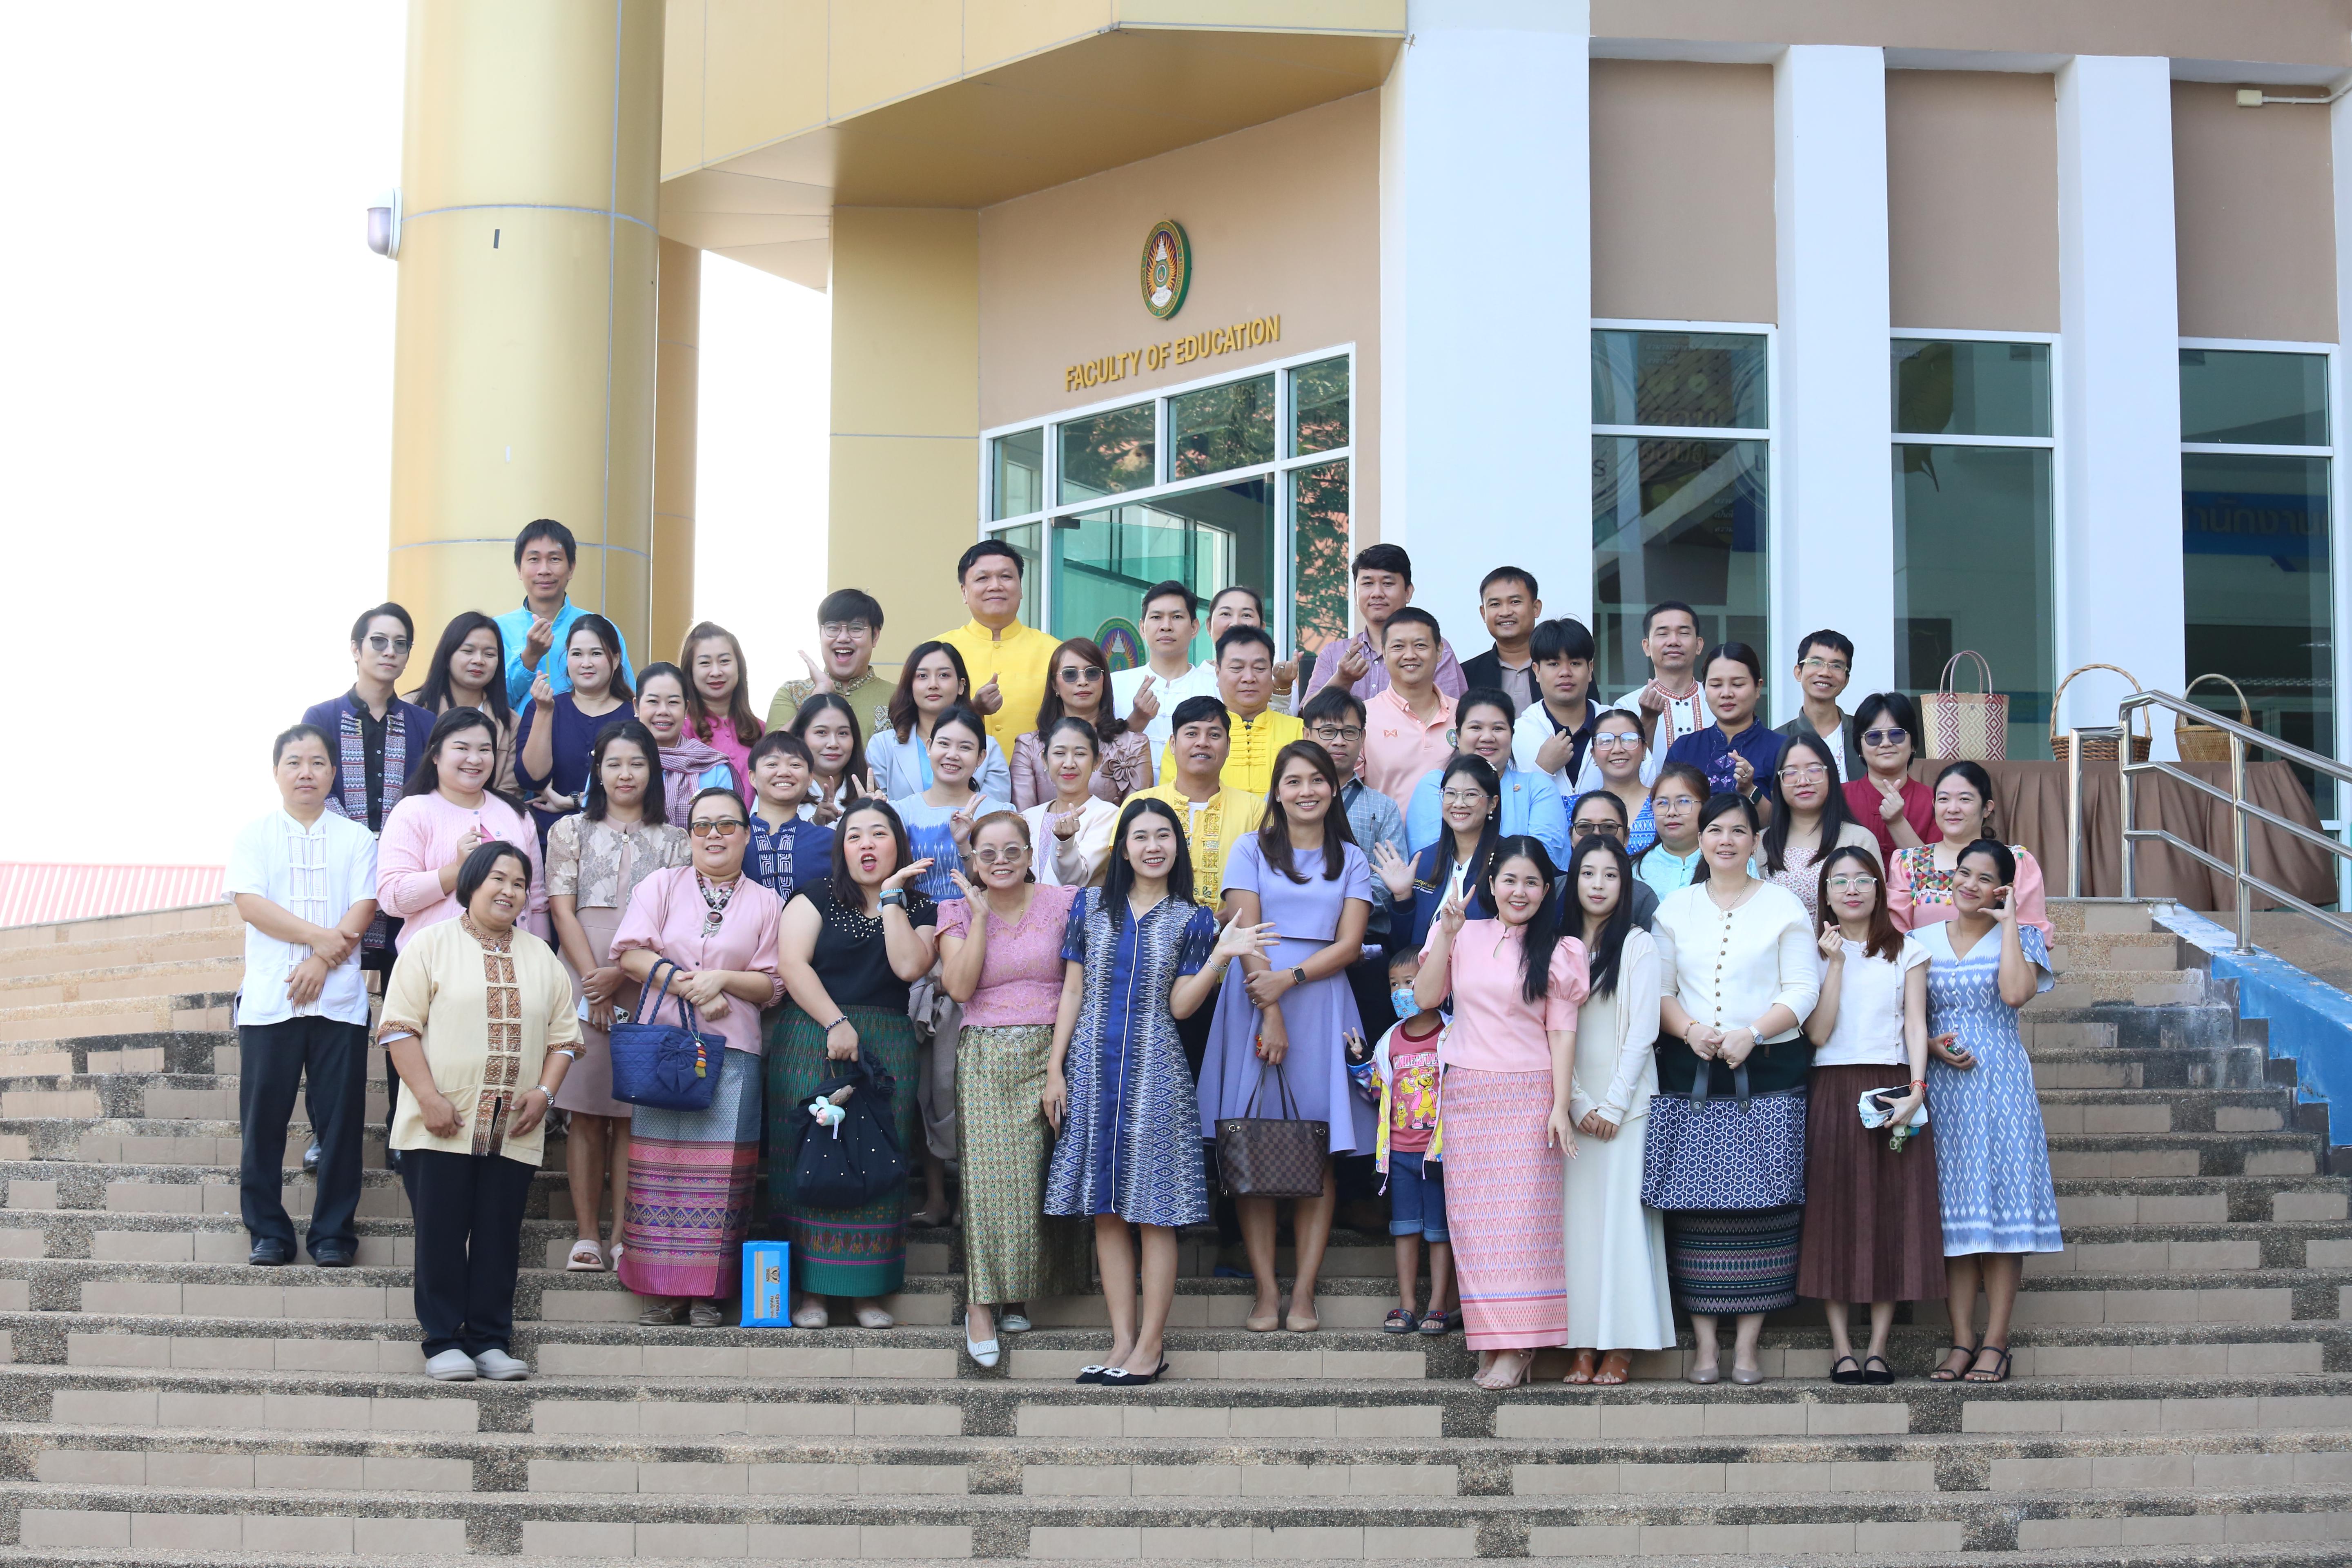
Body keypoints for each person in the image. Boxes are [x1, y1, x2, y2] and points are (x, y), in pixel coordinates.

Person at [1044, 798, 1270, 1385]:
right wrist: (1054, 1068)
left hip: (1156, 1074)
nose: (1153, 846)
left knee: (1154, 1213)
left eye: (1164, 836)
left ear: (1178, 846)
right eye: (1141, 836)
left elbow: (1180, 1007)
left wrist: (1220, 957)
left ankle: (1151, 1346)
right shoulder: (1089, 906)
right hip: (1092, 1068)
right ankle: (1121, 1343)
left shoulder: (1193, 919)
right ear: (1122, 848)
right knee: (1106, 1212)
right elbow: (1072, 993)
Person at [379, 841, 579, 1381]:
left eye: (519, 883)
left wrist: (545, 1093)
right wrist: (428, 1099)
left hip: (514, 1123)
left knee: (498, 1233)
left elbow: (565, 1039)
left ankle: (490, 1340)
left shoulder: (541, 955)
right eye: (497, 878)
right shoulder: (429, 945)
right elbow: (399, 1027)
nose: (509, 891)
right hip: (440, 1120)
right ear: (471, 882)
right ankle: (443, 1340)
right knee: (441, 1232)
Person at [1198, 741, 1375, 1334]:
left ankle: (1304, 1292)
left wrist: (1291, 980)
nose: (1306, 791)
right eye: (1294, 781)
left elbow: (1350, 944)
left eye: (1317, 780)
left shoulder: (1350, 857)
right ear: (1277, 790)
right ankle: (1266, 1293)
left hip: (1321, 1000)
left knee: (1315, 1148)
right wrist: (1269, 1005)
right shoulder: (1250, 848)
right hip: (1254, 997)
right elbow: (1244, 925)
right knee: (1253, 1143)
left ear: (1333, 788)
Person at [1651, 795, 1820, 1385]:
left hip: (1769, 1073)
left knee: (1765, 1210)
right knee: (1696, 1210)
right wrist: (1692, 1030)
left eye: (1739, 831)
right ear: (1699, 839)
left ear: (1756, 841)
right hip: (1691, 1075)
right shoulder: (1674, 908)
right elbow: (1661, 990)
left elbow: (1803, 989)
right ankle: (1703, 1346)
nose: (1726, 840)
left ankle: (1747, 1346)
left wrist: (1752, 1032)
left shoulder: (1784, 906)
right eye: (1715, 830)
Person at [1414, 835, 1586, 1390]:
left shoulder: (1560, 950)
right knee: (1474, 1226)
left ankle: (1520, 1346)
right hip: (1467, 1091)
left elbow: (1562, 1032)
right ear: (1491, 884)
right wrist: (1446, 930)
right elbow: (1425, 997)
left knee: (1522, 1226)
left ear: (1546, 890)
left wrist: (1560, 1106)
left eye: (1532, 882)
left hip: (1529, 1093)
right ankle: (1491, 1342)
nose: (1520, 891)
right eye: (1510, 879)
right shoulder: (1464, 934)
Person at [609, 787, 785, 1325]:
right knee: (659, 1168)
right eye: (703, 825)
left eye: (727, 825)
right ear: (689, 835)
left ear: (746, 834)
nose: (715, 835)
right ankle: (661, 1289)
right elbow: (632, 955)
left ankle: (707, 1292)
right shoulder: (661, 885)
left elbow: (771, 985)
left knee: (722, 1173)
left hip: (733, 1052)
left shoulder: (766, 901)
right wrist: (691, 989)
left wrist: (722, 982)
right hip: (665, 1047)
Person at [769, 800, 939, 1327]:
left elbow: (909, 966)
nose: (866, 845)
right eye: (854, 836)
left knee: (875, 1159)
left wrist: (891, 898)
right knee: (810, 1159)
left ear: (899, 845)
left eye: (879, 834)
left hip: (887, 1046)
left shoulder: (920, 907)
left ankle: (867, 1290)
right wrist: (834, 1022)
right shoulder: (815, 896)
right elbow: (790, 965)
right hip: (811, 1040)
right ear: (841, 848)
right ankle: (813, 1294)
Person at [937, 815, 1092, 1366]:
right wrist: (980, 920)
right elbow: (958, 988)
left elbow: (1079, 980)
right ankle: (980, 1304)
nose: (1000, 861)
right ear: (972, 859)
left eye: (1012, 850)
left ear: (1031, 852)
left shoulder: (1064, 901)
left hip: (1057, 1049)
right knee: (986, 1180)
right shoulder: (956, 910)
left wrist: (1059, 1065)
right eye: (988, 853)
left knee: (1038, 1177)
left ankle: (1018, 1292)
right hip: (986, 1052)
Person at [227, 725, 380, 1268]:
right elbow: (251, 905)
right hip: (272, 1002)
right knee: (263, 1122)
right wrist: (317, 937)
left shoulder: (358, 839)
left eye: (318, 762)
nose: (307, 772)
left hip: (338, 1003)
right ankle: (268, 1231)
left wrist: (320, 960)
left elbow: (363, 908)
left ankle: (334, 1233)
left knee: (341, 1124)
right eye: (294, 762)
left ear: (333, 774)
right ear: (277, 772)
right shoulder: (255, 836)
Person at [543, 721, 689, 1273]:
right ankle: (587, 1236)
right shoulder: (569, 831)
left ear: (653, 772)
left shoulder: (676, 838)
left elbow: (675, 920)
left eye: (637, 764)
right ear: (597, 770)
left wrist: (622, 978)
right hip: (580, 977)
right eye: (614, 764)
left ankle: (626, 1234)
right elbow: (561, 908)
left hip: (647, 980)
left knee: (632, 1113)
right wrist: (593, 980)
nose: (625, 774)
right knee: (584, 1110)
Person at [1917, 839, 2061, 1385]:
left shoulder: (2021, 938)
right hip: (1943, 1088)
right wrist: (1930, 1047)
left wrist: (2008, 924)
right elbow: (1904, 1014)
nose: (1969, 885)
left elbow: (2016, 993)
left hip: (2000, 1083)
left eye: (1984, 878)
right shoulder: (1920, 940)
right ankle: (1960, 1342)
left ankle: (1995, 1343)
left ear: (2003, 888)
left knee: (1999, 1219)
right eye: (1963, 874)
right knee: (1956, 1220)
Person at [1800, 844, 1941, 1386]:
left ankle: (1878, 1348)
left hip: (1891, 1088)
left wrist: (1917, 1090)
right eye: (1840, 881)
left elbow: (1915, 1024)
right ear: (1826, 893)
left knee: (1889, 1213)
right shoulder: (1813, 952)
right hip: (1833, 1085)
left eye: (1863, 879)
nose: (1852, 889)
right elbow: (1818, 1032)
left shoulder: (1907, 950)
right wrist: (1834, 963)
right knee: (1834, 1214)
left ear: (1881, 889)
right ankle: (1842, 1349)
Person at [1559, 835, 1673, 1384]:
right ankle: (1581, 1343)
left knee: (1625, 1228)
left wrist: (1611, 1103)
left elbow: (1643, 1033)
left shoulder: (1638, 945)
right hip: (1568, 1108)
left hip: (1628, 1109)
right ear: (1573, 881)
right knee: (1577, 1230)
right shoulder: (1555, 946)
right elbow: (1547, 1031)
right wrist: (1578, 1103)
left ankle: (1623, 1343)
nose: (1599, 885)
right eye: (1588, 874)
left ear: (1625, 885)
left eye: (1610, 875)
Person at [305, 603, 433, 969]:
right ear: (356, 649)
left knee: (407, 974)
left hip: (405, 869)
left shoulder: (425, 723)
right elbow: (315, 789)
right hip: (337, 866)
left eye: (401, 644)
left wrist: (393, 844)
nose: (390, 651)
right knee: (335, 974)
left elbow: (431, 796)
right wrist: (363, 843)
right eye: (379, 642)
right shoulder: (321, 717)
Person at [1346, 949, 1457, 1336]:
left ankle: (1439, 1305)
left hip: (1440, 1155)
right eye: (1395, 984)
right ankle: (1407, 1304)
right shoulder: (1389, 1040)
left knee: (1440, 1231)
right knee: (1405, 1228)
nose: (1402, 992)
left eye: (1410, 983)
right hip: (1400, 1155)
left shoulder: (1452, 1033)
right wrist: (1360, 1064)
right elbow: (1378, 1093)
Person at [376, 709, 546, 946]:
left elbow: (536, 899)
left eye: (485, 750)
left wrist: (539, 955)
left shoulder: (517, 814)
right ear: (436, 755)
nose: (475, 760)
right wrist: (457, 870)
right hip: (435, 960)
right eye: (462, 749)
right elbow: (393, 899)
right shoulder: (413, 811)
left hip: (511, 960)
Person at [1305, 686, 1409, 1039]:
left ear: (1363, 738)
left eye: (1349, 733)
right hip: (1302, 947)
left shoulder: (1383, 807)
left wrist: (1345, 922)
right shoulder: (1285, 801)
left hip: (1365, 951)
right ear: (1307, 735)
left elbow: (1388, 880)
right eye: (1328, 732)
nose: (1339, 741)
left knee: (1365, 1049)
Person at [1129, 697, 1267, 917]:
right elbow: (1120, 876)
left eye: (1214, 735)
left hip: (1231, 940)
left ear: (1229, 746)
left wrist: (1218, 922)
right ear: (1173, 744)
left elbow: (1266, 884)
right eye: (1192, 733)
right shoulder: (1140, 804)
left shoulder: (1255, 810)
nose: (1203, 742)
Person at [1889, 761, 2053, 940]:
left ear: (1987, 808)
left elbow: (2033, 937)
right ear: (1934, 804)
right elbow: (1895, 935)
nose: (1953, 809)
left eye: (1965, 799)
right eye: (1944, 799)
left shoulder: (2015, 861)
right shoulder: (1908, 863)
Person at [1403, 688, 1568, 862]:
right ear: (1458, 737)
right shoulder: (1436, 785)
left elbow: (1542, 860)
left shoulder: (1538, 788)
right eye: (1476, 728)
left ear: (1512, 736)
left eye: (1498, 728)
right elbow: (1427, 858)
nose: (1487, 737)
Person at [493, 517, 635, 710]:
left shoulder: (602, 629)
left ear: (571, 568)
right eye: (534, 559)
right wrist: (529, 657)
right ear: (519, 569)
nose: (544, 570)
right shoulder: (496, 631)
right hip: (519, 740)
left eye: (555, 559)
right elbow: (490, 704)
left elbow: (627, 699)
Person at [516, 613, 635, 837]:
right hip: (549, 837)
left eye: (596, 654)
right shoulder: (543, 706)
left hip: (618, 837)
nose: (586, 663)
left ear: (617, 659)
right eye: (577, 654)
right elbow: (532, 779)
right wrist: (544, 712)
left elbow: (640, 785)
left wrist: (575, 801)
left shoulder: (634, 715)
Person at [1306, 544, 1467, 703]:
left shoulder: (1432, 649)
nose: (1377, 593)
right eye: (1368, 584)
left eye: (1388, 584)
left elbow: (1452, 717)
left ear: (1408, 592)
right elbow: (1307, 716)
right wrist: (1342, 680)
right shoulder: (1334, 654)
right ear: (1356, 595)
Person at [939, 539, 1059, 752]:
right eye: (983, 578)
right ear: (964, 592)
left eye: (1006, 577)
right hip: (954, 780)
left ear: (1021, 588)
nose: (995, 586)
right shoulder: (937, 651)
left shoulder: (1056, 652)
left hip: (1038, 781)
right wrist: (972, 710)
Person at [1376, 753, 1502, 956]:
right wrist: (1402, 898)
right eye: (1450, 793)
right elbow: (1402, 950)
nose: (1458, 804)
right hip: (1423, 981)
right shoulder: (1424, 860)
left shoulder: (1507, 861)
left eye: (1470, 795)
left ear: (1493, 803)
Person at [889, 704, 1013, 906]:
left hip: (980, 925)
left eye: (965, 747)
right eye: (944, 744)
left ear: (981, 757)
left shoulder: (1001, 814)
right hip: (913, 924)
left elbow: (1004, 884)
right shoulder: (901, 813)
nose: (952, 755)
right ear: (929, 747)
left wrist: (965, 845)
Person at [1159, 624, 1304, 796]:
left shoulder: (1300, 732)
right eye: (1237, 668)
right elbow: (1169, 801)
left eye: (1259, 668)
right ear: (1218, 673)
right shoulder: (1192, 737)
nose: (1249, 678)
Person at [1011, 637, 1153, 808]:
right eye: (1070, 674)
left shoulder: (1135, 745)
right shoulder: (1029, 747)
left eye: (1092, 673)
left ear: (1104, 680)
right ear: (1055, 686)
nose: (1083, 682)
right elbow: (1024, 819)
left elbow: (1135, 819)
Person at [1757, 732, 1879, 925]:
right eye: (1790, 773)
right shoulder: (1762, 843)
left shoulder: (1860, 840)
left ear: (1831, 774)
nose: (1803, 781)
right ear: (1779, 783)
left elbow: (1877, 915)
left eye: (1814, 770)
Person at [869, 640, 1013, 803]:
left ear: (961, 686)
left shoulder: (989, 747)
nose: (933, 685)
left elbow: (994, 815)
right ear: (910, 686)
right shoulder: (882, 746)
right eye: (922, 676)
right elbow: (879, 810)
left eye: (944, 675)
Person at [1663, 641, 1783, 819]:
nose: (1726, 693)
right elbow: (1666, 811)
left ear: (1758, 688)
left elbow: (1787, 823)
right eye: (1716, 685)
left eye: (1738, 684)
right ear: (1705, 690)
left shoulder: (1783, 749)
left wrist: (1750, 790)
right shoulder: (1684, 748)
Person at [410, 612, 521, 798]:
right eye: (468, 651)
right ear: (447, 656)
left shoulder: (511, 723)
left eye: (489, 654)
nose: (479, 660)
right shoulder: (413, 708)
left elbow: (510, 792)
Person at [1360, 608, 1460, 812]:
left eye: (1420, 645)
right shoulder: (1363, 717)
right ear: (1385, 653)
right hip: (1385, 842)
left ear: (1440, 651)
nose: (1410, 655)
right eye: (1398, 646)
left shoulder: (1463, 715)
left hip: (1456, 842)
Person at [767, 588, 894, 739]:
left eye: (856, 629)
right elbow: (771, 753)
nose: (843, 638)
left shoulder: (900, 697)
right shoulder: (792, 693)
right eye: (833, 628)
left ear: (875, 637)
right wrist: (817, 697)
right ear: (820, 634)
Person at [1110, 580, 1220, 753]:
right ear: (1142, 629)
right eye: (1156, 617)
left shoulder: (1216, 688)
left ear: (1194, 628)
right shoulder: (1113, 685)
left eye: (1177, 617)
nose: (1166, 627)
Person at [635, 662, 742, 821]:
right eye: (653, 702)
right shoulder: (616, 762)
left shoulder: (713, 768)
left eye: (673, 702)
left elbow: (726, 828)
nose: (663, 711)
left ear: (686, 709)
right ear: (636, 707)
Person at [1021, 716, 1119, 887]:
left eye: (1080, 754)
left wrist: (1065, 841)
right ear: (1045, 760)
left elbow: (1076, 879)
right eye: (1059, 753)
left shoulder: (1108, 815)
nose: (1069, 764)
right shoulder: (1028, 817)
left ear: (1097, 761)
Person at [1511, 617, 1603, 798]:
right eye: (1554, 664)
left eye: (1575, 663)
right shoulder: (1516, 733)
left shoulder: (1616, 725)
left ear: (1590, 669)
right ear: (1537, 671)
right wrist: (1543, 769)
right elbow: (1507, 803)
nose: (1565, 673)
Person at [1615, 601, 1706, 784]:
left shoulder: (1716, 699)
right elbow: (1622, 773)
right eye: (1663, 634)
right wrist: (1647, 720)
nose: (1674, 641)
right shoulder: (1627, 706)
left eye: (1684, 633)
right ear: (1647, 647)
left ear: (1699, 645)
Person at [745, 729, 835, 906]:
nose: (784, 772)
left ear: (810, 778)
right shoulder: (734, 837)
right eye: (772, 764)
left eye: (795, 765)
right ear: (753, 777)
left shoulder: (829, 842)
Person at [1844, 692, 1935, 863]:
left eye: (1896, 735)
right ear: (1860, 749)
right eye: (1873, 737)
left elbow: (1935, 872)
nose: (1886, 743)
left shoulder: (1935, 801)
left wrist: (1897, 823)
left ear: (1913, 744)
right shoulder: (1839, 797)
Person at [679, 621, 764, 787]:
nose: (716, 672)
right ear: (690, 671)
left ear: (739, 667)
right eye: (705, 663)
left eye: (725, 661)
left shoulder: (760, 730)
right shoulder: (680, 731)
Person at [1777, 630, 1865, 781]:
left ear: (1846, 680)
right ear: (1798, 672)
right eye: (1816, 663)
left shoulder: (1866, 734)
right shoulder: (1778, 740)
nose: (1825, 673)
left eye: (1836, 666)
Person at [1566, 791, 1658, 930]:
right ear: (1571, 836)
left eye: (1609, 827)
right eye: (1585, 827)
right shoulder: (1554, 890)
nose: (1596, 835)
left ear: (1627, 837)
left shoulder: (1642, 898)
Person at [1205, 584, 1301, 711]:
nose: (1235, 624)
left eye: (1246, 615)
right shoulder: (1193, 680)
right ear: (1209, 626)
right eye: (1226, 614)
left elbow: (1282, 725)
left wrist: (1282, 686)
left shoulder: (1280, 680)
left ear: (1262, 628)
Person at [1460, 566, 1544, 712]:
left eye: (1515, 602)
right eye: (1495, 604)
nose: (1505, 612)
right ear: (1483, 613)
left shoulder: (1562, 668)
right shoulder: (1466, 674)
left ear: (1536, 608)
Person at [790, 692, 870, 828]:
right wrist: (815, 825)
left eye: (843, 733)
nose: (833, 744)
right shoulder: (778, 786)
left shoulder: (869, 793)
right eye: (821, 732)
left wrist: (877, 814)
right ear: (801, 737)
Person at [1634, 764, 1710, 903]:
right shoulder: (1635, 870)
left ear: (1705, 807)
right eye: (1662, 803)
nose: (1672, 812)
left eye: (1683, 802)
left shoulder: (1732, 862)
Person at [1586, 710, 1655, 854]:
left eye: (1629, 740)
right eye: (1605, 741)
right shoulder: (1574, 808)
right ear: (1593, 754)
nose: (1617, 749)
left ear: (1644, 749)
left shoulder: (1664, 805)